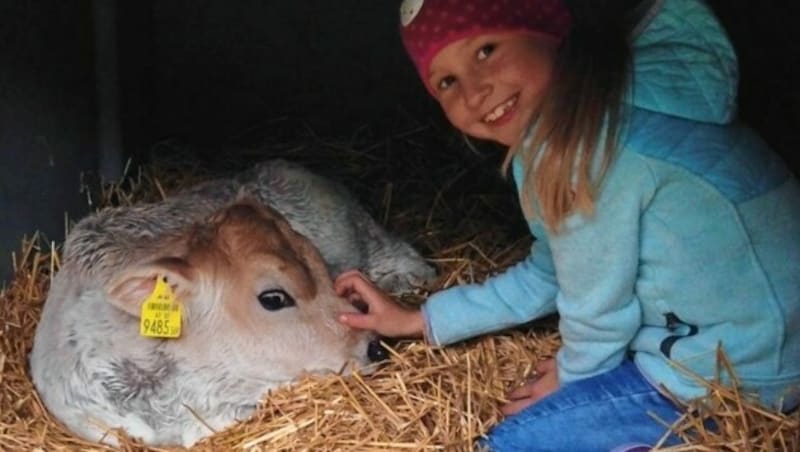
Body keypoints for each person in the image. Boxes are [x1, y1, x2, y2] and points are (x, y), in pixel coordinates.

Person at [336, 0, 800, 450]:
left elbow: (598, 314)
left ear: (548, 32)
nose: (475, 91)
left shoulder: (586, 154)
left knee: (515, 443)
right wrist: (420, 319)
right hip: (763, 343)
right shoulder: (606, 111)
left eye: (486, 50)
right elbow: (552, 272)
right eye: (447, 83)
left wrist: (574, 378)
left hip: (743, 376)